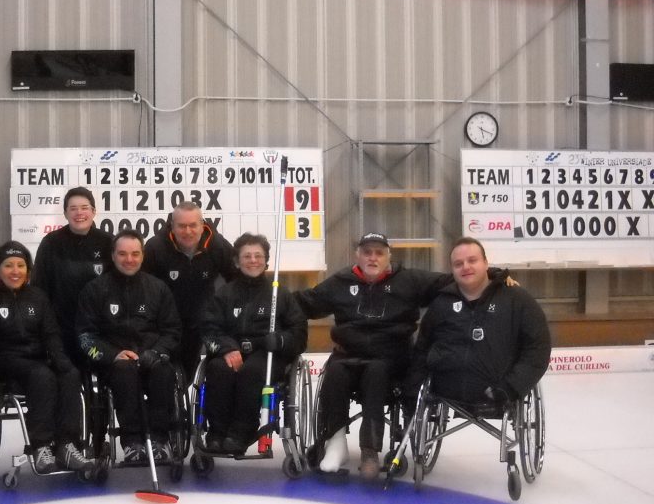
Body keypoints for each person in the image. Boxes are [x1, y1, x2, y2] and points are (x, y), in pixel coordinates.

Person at [296, 232, 454, 479]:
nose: (372, 257)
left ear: (388, 256)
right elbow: (305, 303)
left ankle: (370, 449)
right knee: (334, 370)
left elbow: (456, 280)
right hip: (348, 356)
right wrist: (270, 298)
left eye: (379, 253)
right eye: (367, 252)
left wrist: (496, 277)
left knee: (376, 371)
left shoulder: (409, 280)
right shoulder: (340, 282)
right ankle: (336, 444)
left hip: (391, 359)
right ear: (357, 255)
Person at [0, 241, 94, 474]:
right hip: (2, 361)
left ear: (27, 269)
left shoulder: (37, 297)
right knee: (42, 375)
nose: (15, 271)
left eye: (20, 265)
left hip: (36, 359)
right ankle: (41, 446)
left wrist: (62, 360)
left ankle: (67, 445)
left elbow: (51, 333)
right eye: (8, 265)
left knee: (70, 374)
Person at [408, 237, 551, 409]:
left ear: (486, 263)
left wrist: (511, 388)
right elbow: (422, 349)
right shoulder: (441, 304)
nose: (466, 267)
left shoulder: (517, 300)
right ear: (451, 270)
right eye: (458, 264)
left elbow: (537, 349)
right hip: (443, 390)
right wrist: (412, 390)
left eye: (472, 260)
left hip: (498, 391)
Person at [77, 229, 182, 463]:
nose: (129, 259)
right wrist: (112, 355)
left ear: (142, 256)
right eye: (123, 254)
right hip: (113, 364)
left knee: (164, 372)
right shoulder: (95, 290)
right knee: (124, 371)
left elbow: (172, 331)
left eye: (135, 254)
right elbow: (86, 336)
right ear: (113, 256)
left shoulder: (158, 288)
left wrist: (156, 352)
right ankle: (132, 442)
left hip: (151, 357)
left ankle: (160, 441)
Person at [199, 233, 307, 454]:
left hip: (267, 354)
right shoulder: (225, 294)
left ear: (266, 260)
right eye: (247, 256)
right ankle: (217, 433)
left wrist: (280, 340)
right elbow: (209, 328)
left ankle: (241, 432)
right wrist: (226, 348)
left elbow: (299, 333)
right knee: (219, 369)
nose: (253, 260)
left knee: (252, 371)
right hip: (231, 349)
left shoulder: (280, 294)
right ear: (237, 261)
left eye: (258, 255)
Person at [143, 201, 235, 374]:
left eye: (193, 225)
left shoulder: (218, 246)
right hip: (163, 322)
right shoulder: (155, 247)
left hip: (199, 319)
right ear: (172, 226)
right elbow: (142, 285)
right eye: (182, 226)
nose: (187, 231)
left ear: (202, 225)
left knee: (189, 369)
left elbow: (236, 279)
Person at [32, 187, 113, 363]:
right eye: (73, 208)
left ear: (93, 212)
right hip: (62, 328)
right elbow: (39, 288)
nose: (79, 213)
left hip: (100, 329)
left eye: (84, 207)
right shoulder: (51, 243)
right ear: (65, 213)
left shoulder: (108, 242)